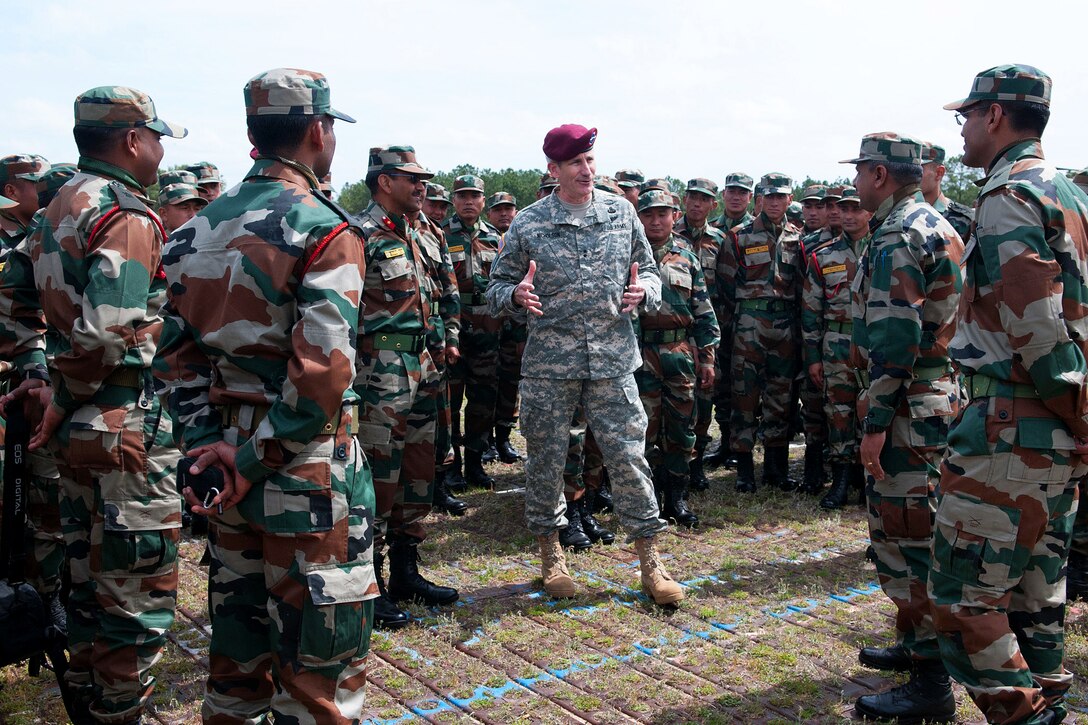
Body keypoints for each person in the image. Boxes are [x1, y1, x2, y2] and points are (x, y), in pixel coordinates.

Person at [157, 68, 375, 723]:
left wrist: (210, 450)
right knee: (318, 687)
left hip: (225, 472)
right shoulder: (323, 227)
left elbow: (176, 357)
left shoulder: (193, 230)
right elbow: (320, 377)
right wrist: (251, 459)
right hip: (303, 474)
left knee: (235, 671)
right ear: (318, 130)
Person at [930, 64, 1088, 725]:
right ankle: (1048, 694)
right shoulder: (1069, 194)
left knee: (961, 597)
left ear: (995, 116)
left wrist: (1078, 415)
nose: (963, 129)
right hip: (1053, 432)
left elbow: (1037, 327)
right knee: (1034, 594)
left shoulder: (1008, 196)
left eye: (966, 115)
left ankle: (1027, 716)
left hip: (1015, 425)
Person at [27, 85, 186, 725]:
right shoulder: (125, 212)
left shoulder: (57, 205)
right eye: (156, 137)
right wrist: (61, 395)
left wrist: (46, 380)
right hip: (121, 427)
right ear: (131, 140)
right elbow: (107, 332)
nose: (159, 150)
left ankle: (95, 710)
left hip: (81, 432)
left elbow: (21, 300)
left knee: (92, 587)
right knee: (135, 601)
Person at [486, 123, 682, 606]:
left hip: (613, 361)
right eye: (576, 163)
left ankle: (650, 561)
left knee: (629, 459)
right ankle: (551, 552)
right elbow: (493, 289)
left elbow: (651, 270)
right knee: (548, 460)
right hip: (550, 367)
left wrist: (646, 292)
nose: (586, 170)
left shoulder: (622, 213)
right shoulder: (529, 224)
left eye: (590, 161)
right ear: (553, 170)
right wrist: (514, 294)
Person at [842, 131, 964, 723]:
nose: (855, 182)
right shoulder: (930, 222)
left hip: (909, 408)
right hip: (929, 400)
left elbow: (895, 342)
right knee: (909, 532)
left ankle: (930, 683)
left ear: (880, 175)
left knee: (910, 540)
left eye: (861, 171)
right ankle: (917, 645)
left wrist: (877, 422)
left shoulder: (897, 235)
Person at [354, 145, 459, 631]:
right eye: (409, 178)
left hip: (425, 362)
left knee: (419, 467)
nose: (421, 186)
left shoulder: (427, 232)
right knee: (378, 472)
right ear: (383, 181)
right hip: (380, 367)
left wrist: (448, 342)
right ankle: (367, 585)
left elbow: (446, 292)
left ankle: (406, 571)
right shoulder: (359, 234)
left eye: (423, 178)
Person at [715, 172, 803, 492]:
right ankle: (744, 471)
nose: (775, 202)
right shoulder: (738, 236)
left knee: (780, 396)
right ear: (760, 199)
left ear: (790, 200)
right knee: (745, 395)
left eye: (781, 197)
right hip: (749, 326)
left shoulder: (798, 238)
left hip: (785, 327)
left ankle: (776, 469)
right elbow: (725, 286)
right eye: (770, 197)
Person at [636, 189, 719, 527]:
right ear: (639, 218)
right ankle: (649, 497)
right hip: (639, 354)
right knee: (645, 428)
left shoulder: (687, 257)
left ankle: (677, 497)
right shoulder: (628, 255)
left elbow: (703, 312)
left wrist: (708, 358)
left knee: (681, 427)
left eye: (662, 214)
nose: (656, 221)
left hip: (679, 354)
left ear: (674, 215)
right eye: (648, 215)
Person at [800, 186, 870, 509]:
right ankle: (841, 481)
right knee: (838, 413)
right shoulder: (823, 256)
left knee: (872, 410)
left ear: (869, 211)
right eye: (845, 210)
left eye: (857, 209)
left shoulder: (884, 249)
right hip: (836, 345)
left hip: (872, 344)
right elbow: (811, 312)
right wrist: (813, 357)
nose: (850, 215)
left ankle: (869, 481)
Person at [443, 175, 503, 489]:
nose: (468, 201)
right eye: (462, 195)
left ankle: (476, 464)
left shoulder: (495, 237)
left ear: (483, 201)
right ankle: (452, 467)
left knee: (482, 402)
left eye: (474, 196)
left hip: (487, 330)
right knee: (451, 404)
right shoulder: (441, 234)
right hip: (454, 331)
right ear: (454, 200)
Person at [673, 178, 728, 491]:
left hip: (706, 331)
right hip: (674, 334)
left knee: (704, 400)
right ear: (684, 200)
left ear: (712, 205)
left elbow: (727, 287)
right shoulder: (666, 233)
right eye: (692, 197)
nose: (696, 203)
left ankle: (696, 464)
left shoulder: (720, 239)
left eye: (703, 199)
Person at [488, 191, 526, 465]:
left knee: (510, 385)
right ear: (489, 213)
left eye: (508, 209)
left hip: (516, 327)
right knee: (485, 385)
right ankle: (483, 442)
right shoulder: (485, 239)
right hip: (483, 327)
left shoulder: (524, 239)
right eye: (498, 209)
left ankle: (503, 438)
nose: (504, 214)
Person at [920, 141, 974, 243]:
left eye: (919, 169)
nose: (913, 174)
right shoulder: (899, 215)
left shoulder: (964, 221)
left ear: (939, 173)